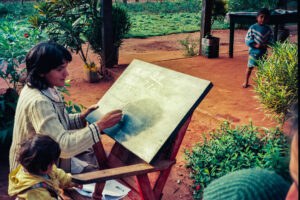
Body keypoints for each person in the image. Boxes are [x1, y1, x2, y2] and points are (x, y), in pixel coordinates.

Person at [9, 41, 123, 174]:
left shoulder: (44, 87)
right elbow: (63, 147)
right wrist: (100, 125)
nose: (66, 73)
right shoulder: (39, 101)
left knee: (95, 155)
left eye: (65, 68)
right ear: (41, 72)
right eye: (59, 70)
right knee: (100, 170)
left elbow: (56, 123)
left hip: (43, 160)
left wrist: (82, 117)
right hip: (32, 172)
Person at [8, 134, 82, 199]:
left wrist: (73, 181)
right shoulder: (35, 191)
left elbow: (59, 175)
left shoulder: (43, 169)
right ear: (42, 167)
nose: (54, 165)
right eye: (52, 163)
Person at [243, 8, 273, 88]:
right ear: (257, 17)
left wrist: (267, 44)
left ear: (268, 19)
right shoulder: (253, 27)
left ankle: (259, 83)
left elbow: (271, 39)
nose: (263, 19)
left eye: (265, 17)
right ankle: (246, 81)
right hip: (253, 52)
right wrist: (255, 45)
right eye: (261, 17)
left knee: (261, 68)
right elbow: (247, 39)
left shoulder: (268, 29)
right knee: (250, 67)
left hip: (263, 52)